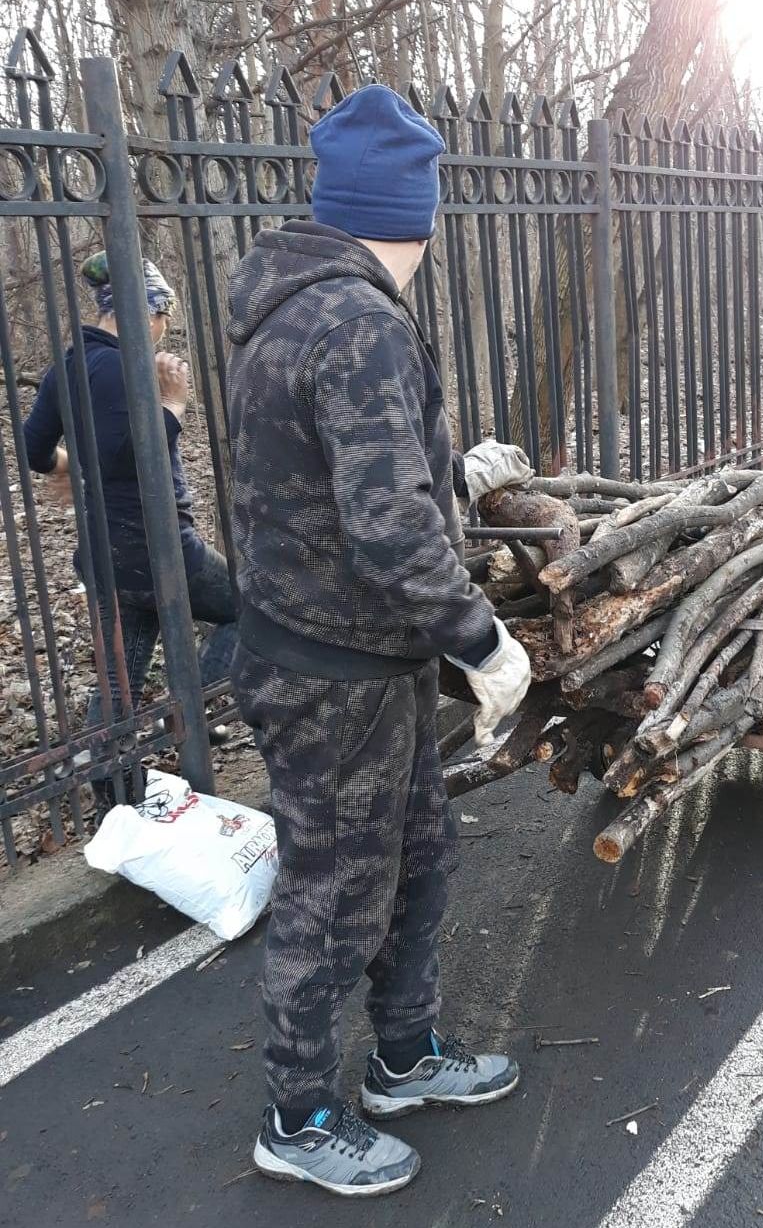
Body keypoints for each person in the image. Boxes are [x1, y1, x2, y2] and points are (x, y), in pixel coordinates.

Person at [226, 84, 534, 1198]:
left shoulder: (301, 305)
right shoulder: (356, 321)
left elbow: (338, 476)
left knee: (420, 855)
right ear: (420, 214)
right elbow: (388, 525)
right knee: (335, 889)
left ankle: (405, 1057)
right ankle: (299, 1115)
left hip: (347, 656)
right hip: (333, 674)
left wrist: (452, 469)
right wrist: (482, 640)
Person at [22, 254, 237, 819]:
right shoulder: (129, 369)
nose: (165, 327)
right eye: (163, 314)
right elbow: (131, 456)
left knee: (120, 677)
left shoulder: (65, 369)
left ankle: (116, 796)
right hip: (159, 547)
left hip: (104, 553)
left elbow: (32, 449)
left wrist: (71, 463)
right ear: (152, 311)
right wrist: (174, 405)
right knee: (248, 607)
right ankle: (192, 710)